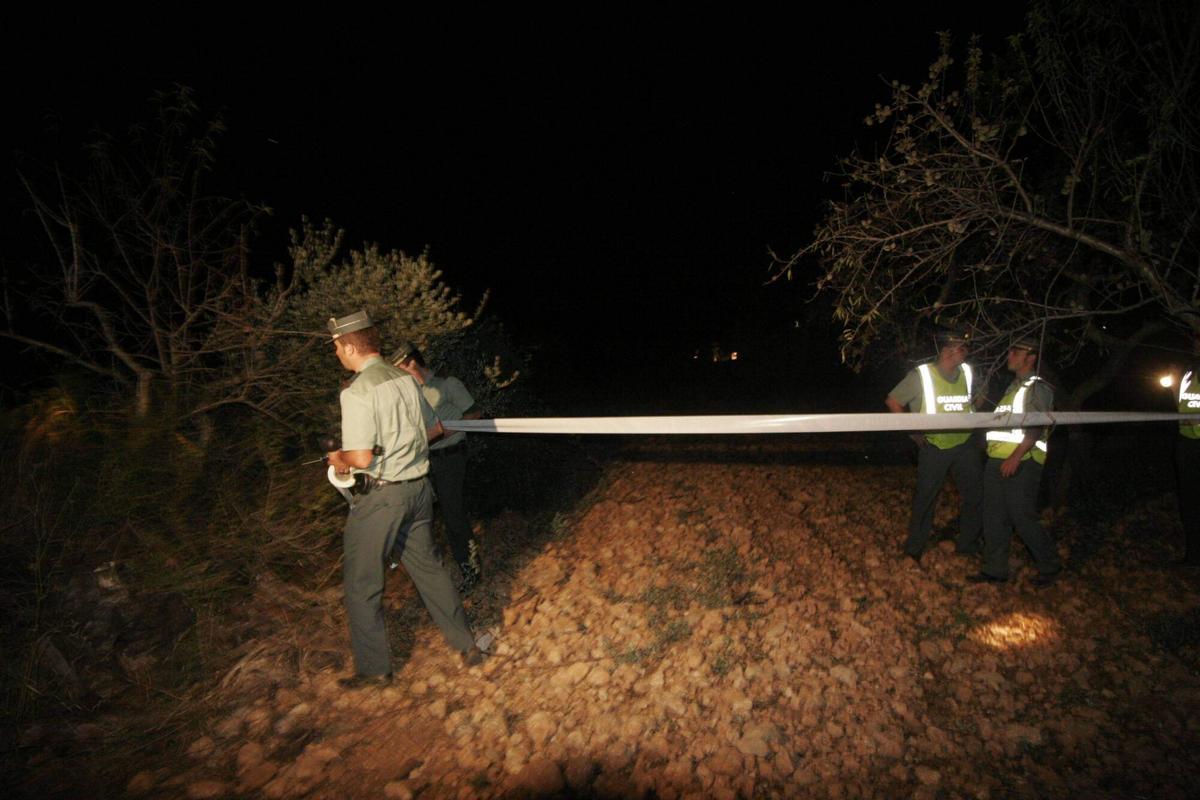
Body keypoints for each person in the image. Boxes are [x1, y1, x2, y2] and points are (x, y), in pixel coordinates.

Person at [325, 310, 482, 689]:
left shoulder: (358, 390)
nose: (336, 355)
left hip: (384, 499)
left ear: (348, 346)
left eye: (336, 348)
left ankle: (376, 670)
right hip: (419, 491)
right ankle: (467, 645)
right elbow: (429, 433)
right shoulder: (405, 380)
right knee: (430, 570)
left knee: (362, 583)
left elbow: (361, 458)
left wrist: (339, 459)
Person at [969, 335, 1062, 587]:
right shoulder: (1014, 387)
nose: (1009, 355)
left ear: (1030, 358)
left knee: (1022, 517)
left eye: (1015, 352)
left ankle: (1050, 566)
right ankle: (995, 570)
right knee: (994, 516)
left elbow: (1037, 423)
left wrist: (1016, 456)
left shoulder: (1037, 387)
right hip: (998, 461)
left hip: (1021, 462)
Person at [391, 341, 484, 593]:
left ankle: (471, 568)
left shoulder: (447, 384)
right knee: (431, 515)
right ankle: (446, 572)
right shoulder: (411, 395)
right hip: (427, 461)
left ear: (411, 363)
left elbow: (474, 414)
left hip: (451, 455)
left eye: (400, 368)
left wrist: (443, 432)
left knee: (453, 513)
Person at [886, 326, 983, 562]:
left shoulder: (968, 372)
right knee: (925, 499)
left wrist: (970, 414)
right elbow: (893, 401)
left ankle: (967, 545)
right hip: (935, 447)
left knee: (976, 497)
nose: (966, 352)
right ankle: (914, 549)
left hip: (964, 446)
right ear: (948, 350)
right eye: (962, 347)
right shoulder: (922, 375)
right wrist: (913, 430)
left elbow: (981, 395)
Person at [1174, 329, 1200, 565]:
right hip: (1186, 443)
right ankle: (1192, 554)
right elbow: (1180, 403)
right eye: (1195, 340)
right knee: (1189, 500)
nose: (1196, 345)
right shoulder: (1188, 372)